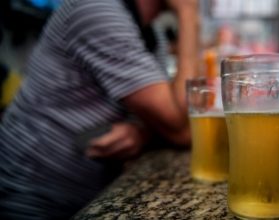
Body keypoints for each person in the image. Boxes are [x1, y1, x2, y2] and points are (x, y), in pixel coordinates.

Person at [0, 0, 197, 219]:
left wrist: (144, 132)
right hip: (31, 198)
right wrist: (188, 13)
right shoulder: (95, 8)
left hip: (86, 197)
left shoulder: (151, 32)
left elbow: (182, 118)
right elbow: (180, 129)